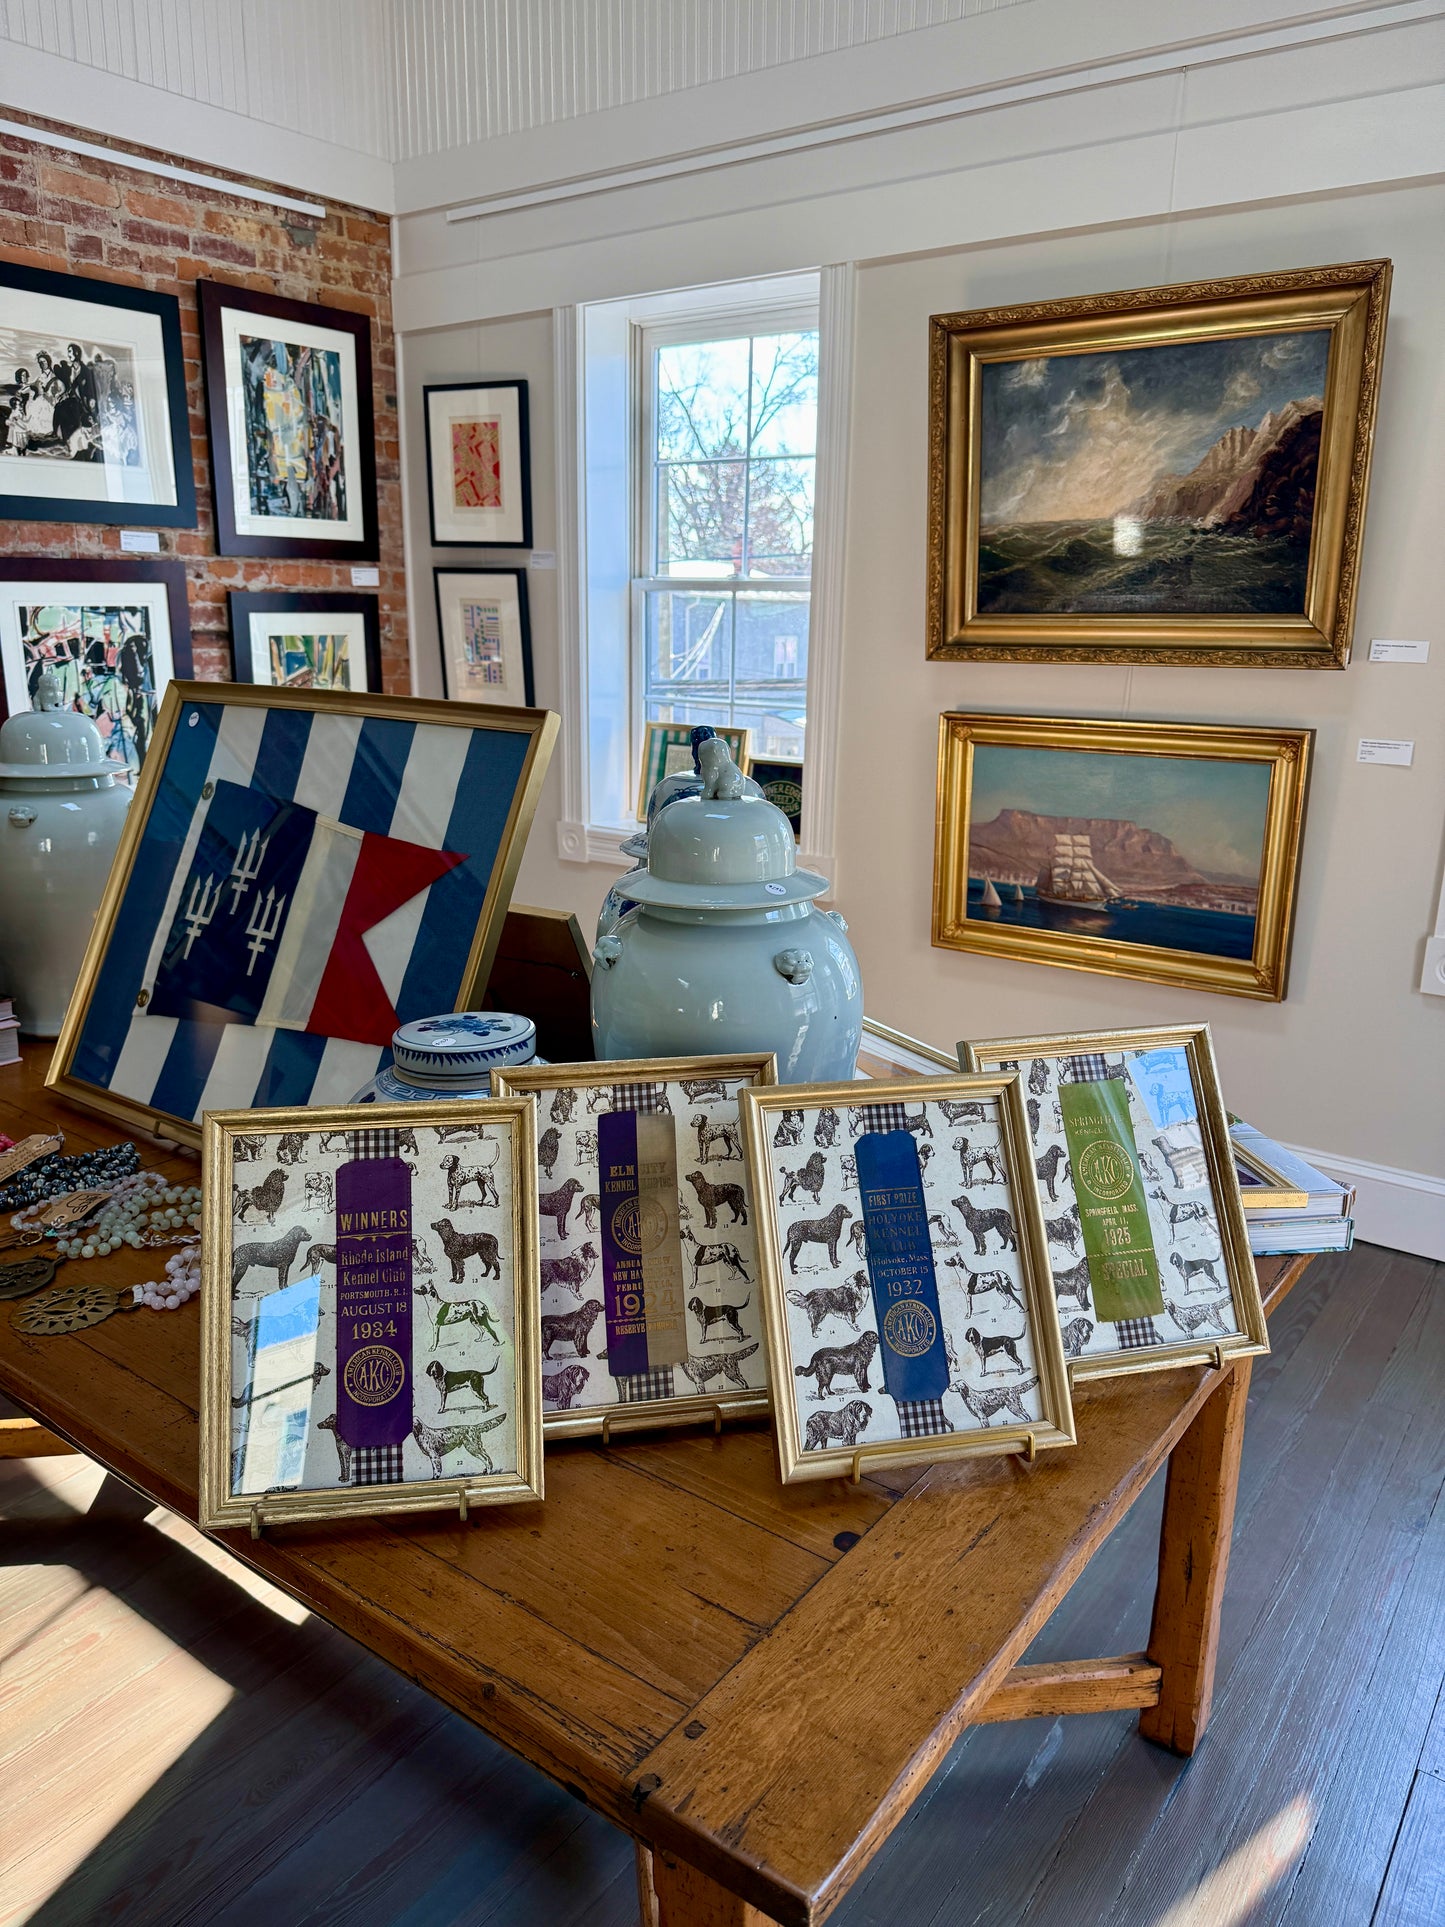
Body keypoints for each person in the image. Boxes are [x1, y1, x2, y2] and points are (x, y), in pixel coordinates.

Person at [4, 369, 32, 454]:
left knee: (23, 424)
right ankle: (13, 442)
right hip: (17, 406)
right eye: (22, 375)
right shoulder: (16, 387)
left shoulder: (28, 387)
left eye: (25, 375)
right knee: (15, 425)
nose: (23, 377)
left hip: (26, 406)